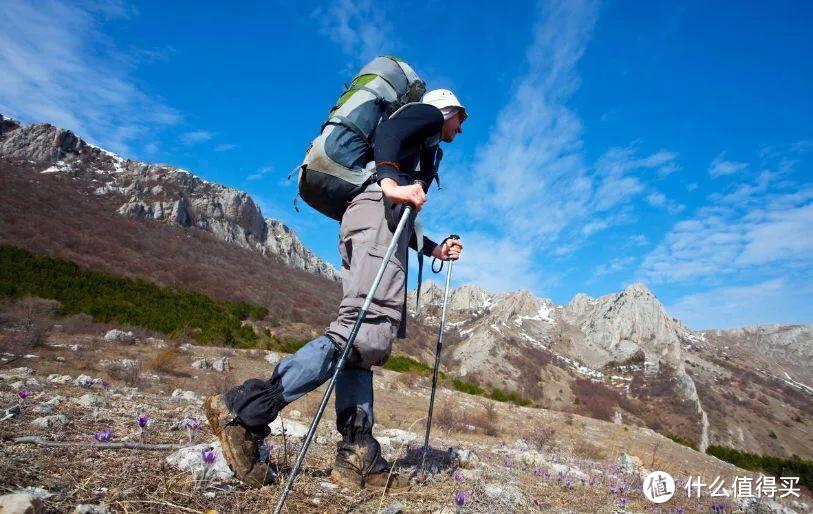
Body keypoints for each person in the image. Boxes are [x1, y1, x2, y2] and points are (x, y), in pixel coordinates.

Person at [204, 89, 466, 491]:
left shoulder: (425, 147)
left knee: (365, 345)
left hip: (372, 221)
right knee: (359, 330)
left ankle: (358, 452)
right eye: (460, 118)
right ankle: (245, 412)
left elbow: (401, 217)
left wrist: (432, 248)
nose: (460, 127)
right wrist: (390, 182)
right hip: (376, 216)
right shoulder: (427, 116)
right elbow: (390, 135)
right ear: (447, 110)